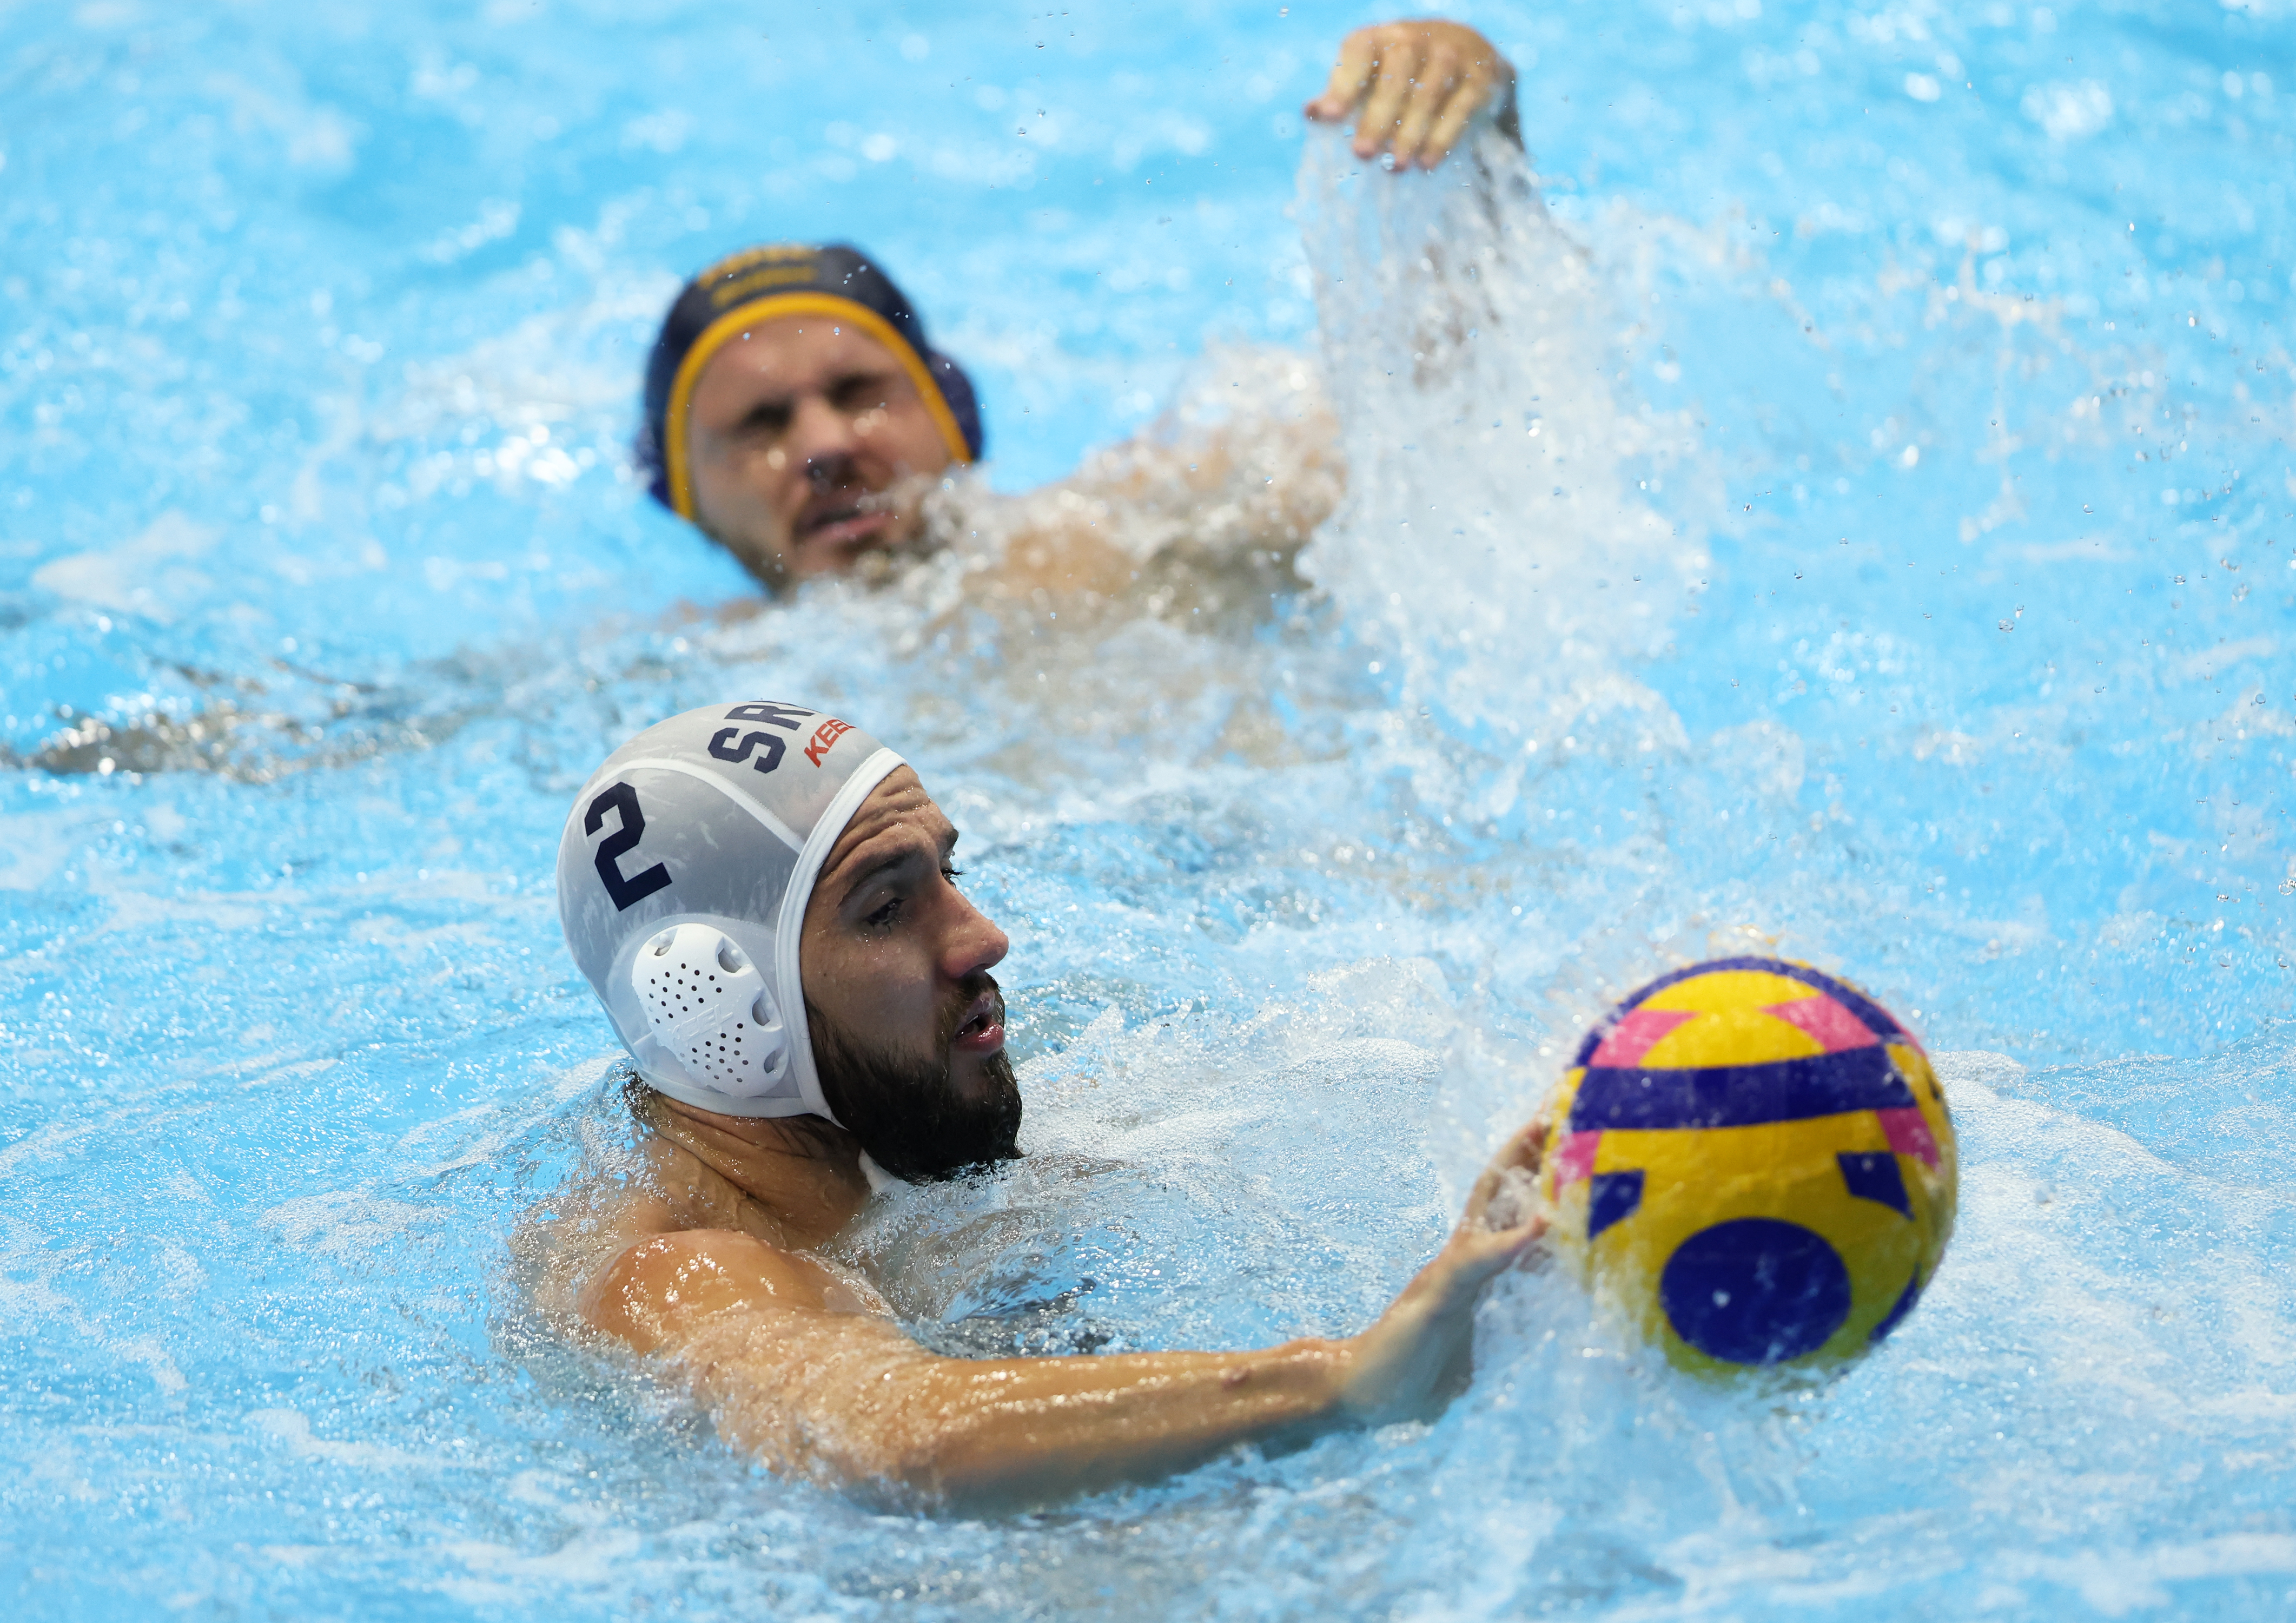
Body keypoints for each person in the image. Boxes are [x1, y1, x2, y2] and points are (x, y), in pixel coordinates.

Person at [539, 698, 1550, 1509]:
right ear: (717, 1003)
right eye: (887, 908)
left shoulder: (878, 1127)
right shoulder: (672, 1273)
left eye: (951, 871)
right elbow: (900, 1436)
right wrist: (1344, 1383)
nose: (983, 939)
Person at [636, 18, 1521, 593]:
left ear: (954, 414)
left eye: (861, 391)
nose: (828, 446)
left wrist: (1478, 138)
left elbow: (1427, 428)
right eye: (760, 424)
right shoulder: (682, 703)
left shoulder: (1131, 540)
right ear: (685, 495)